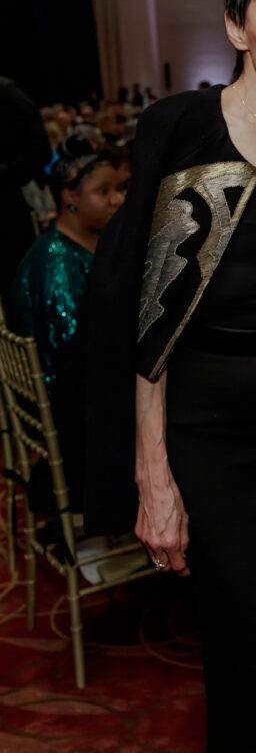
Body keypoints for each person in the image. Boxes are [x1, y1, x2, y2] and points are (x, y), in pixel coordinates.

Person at [84, 0, 256, 752]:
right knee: (255, 654)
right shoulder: (185, 126)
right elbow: (144, 318)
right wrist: (153, 475)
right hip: (217, 440)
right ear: (238, 27)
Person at [8, 135, 124, 507]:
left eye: (119, 188)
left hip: (77, 396)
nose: (117, 199)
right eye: (103, 191)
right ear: (69, 196)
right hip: (72, 421)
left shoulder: (87, 241)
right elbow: (82, 359)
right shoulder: (57, 264)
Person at [0, 76, 51, 305]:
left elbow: (39, 150)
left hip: (7, 215)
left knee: (17, 295)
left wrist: (4, 171)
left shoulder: (7, 93)